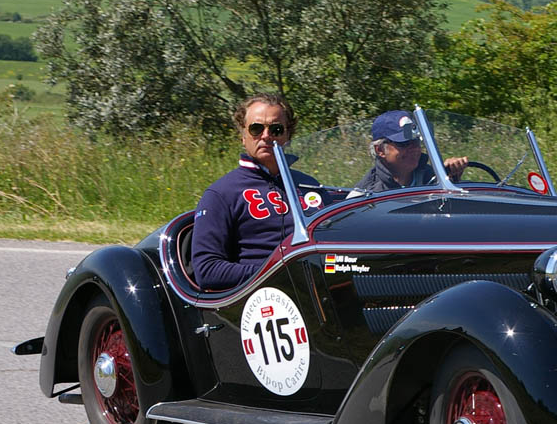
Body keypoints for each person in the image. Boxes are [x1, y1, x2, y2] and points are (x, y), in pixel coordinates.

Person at [192, 93, 323, 290]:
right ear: (243, 136)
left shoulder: (310, 185)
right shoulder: (221, 194)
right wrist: (278, 272)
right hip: (264, 296)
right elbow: (206, 270)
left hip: (323, 285)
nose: (266, 136)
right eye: (256, 128)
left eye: (276, 129)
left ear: (288, 135)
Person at [352, 110, 468, 194]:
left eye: (416, 141)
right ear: (380, 150)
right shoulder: (366, 195)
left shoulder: (435, 177)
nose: (414, 148)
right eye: (403, 143)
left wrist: (453, 178)